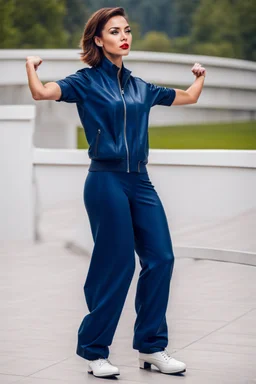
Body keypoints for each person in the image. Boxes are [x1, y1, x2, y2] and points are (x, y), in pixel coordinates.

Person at [26, 6, 206, 379]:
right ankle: (94, 351)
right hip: (105, 180)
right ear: (98, 39)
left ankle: (152, 348)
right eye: (114, 31)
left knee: (161, 258)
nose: (124, 36)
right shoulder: (85, 81)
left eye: (127, 30)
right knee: (118, 263)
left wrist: (199, 77)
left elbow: (188, 97)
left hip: (140, 181)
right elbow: (42, 92)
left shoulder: (142, 87)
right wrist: (32, 66)